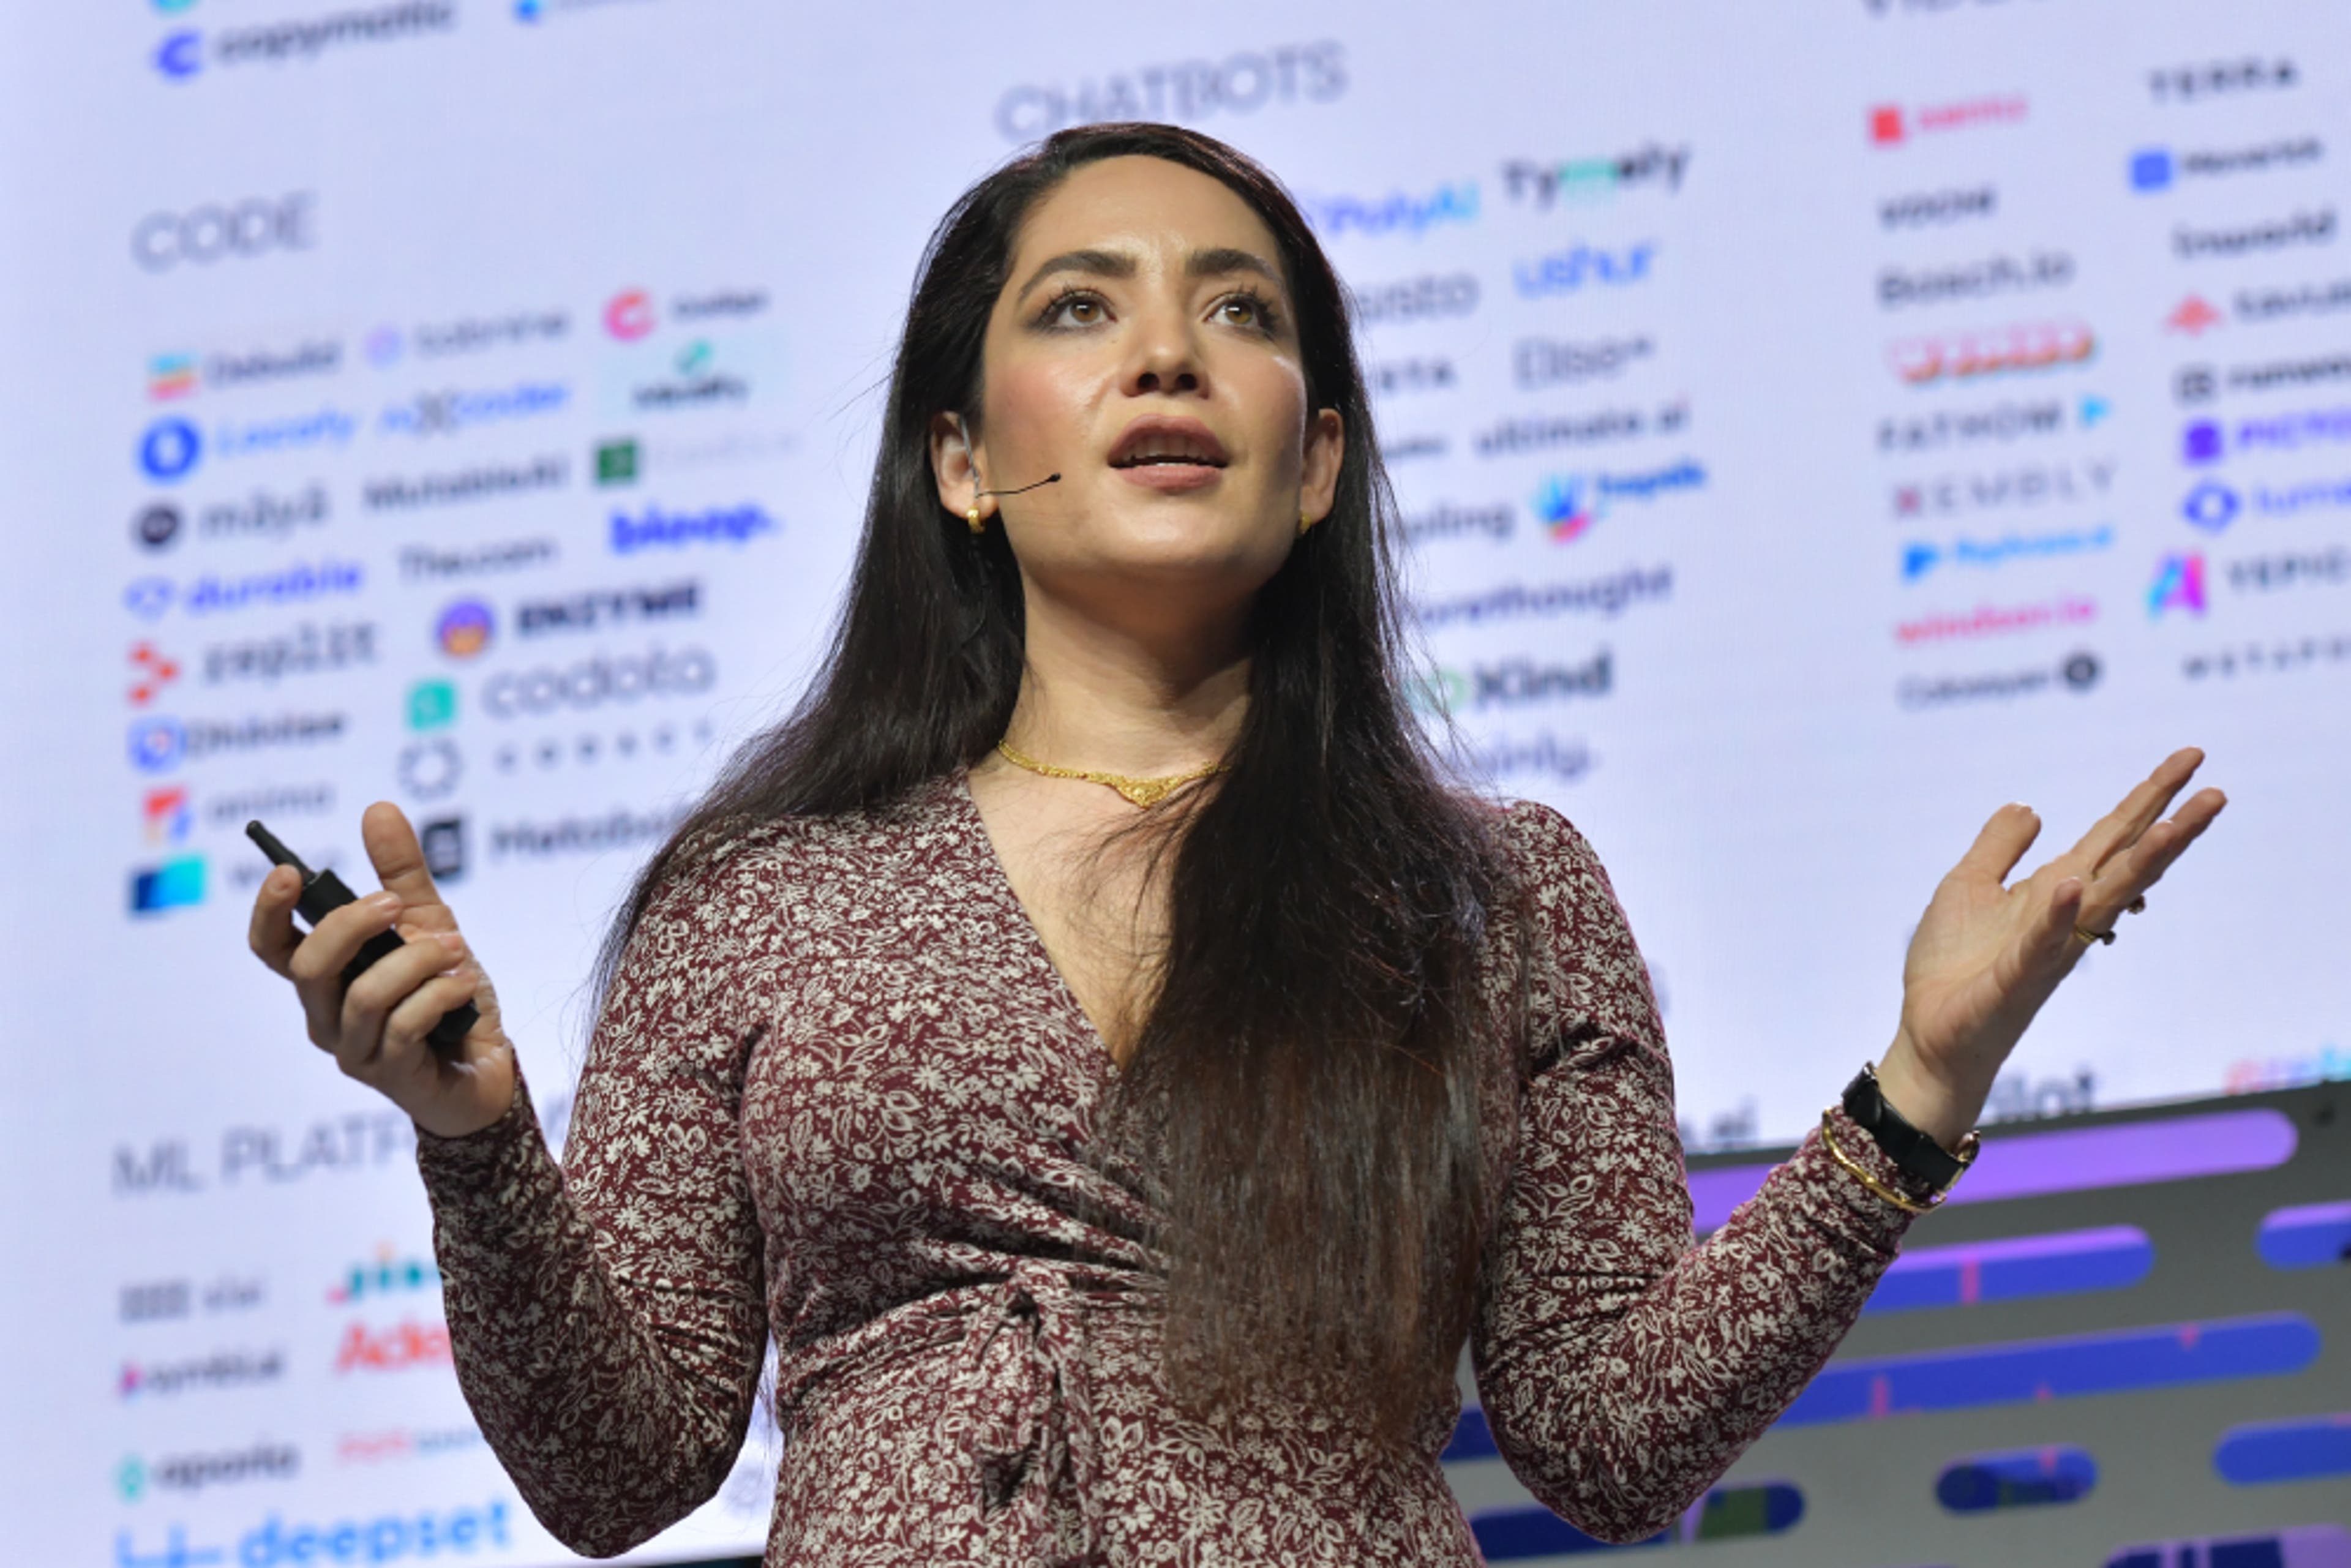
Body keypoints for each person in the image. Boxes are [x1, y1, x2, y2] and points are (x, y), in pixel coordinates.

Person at [247, 122, 2224, 1566]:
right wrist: (481, 1141)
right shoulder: (762, 897)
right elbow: (618, 1473)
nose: (1167, 355)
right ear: (963, 460)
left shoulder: (1492, 893)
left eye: (1238, 313)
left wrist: (1920, 1085)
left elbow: (1611, 1441)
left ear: (1319, 461)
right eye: (1084, 308)